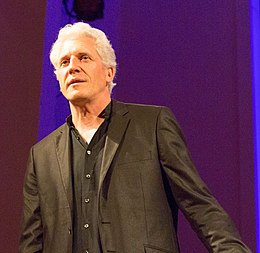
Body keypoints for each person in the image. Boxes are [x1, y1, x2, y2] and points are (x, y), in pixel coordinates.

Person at [19, 22, 251, 253]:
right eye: (64, 62)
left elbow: (198, 204)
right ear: (58, 78)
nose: (73, 67)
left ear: (109, 72)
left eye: (84, 58)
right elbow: (32, 242)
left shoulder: (152, 125)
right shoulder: (41, 156)